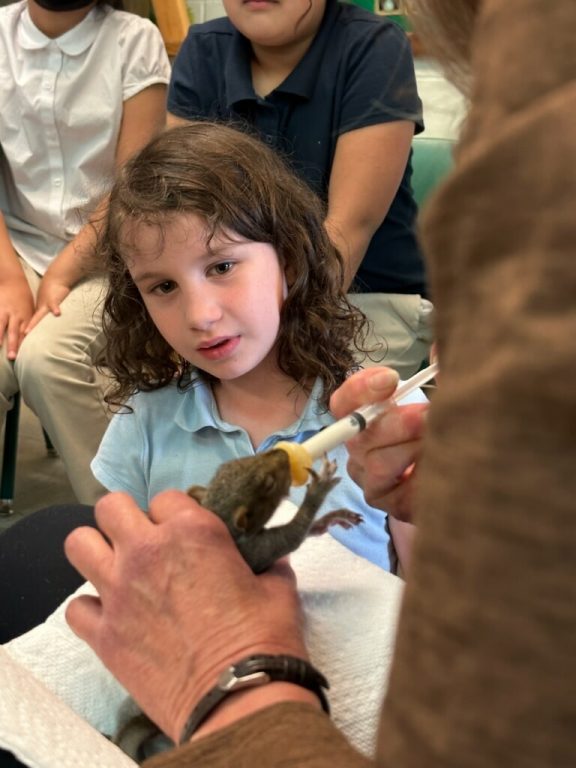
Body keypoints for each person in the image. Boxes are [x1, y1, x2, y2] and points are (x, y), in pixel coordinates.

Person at [58, 0, 575, 765]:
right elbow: (132, 587)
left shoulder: (371, 419)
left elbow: (430, 597)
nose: (202, 313)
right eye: (162, 288)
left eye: (224, 267)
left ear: (293, 265)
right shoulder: (144, 426)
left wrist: (452, 498)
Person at [167, 0, 432, 379]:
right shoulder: (203, 48)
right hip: (227, 302)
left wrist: (257, 346)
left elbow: (348, 230)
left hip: (362, 301)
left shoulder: (373, 46)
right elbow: (183, 220)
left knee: (293, 423)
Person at [0, 0, 171, 503]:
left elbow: (130, 182)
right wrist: (10, 276)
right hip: (14, 249)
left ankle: (130, 525)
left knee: (49, 359)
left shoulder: (134, 39)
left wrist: (62, 270)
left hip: (107, 252)